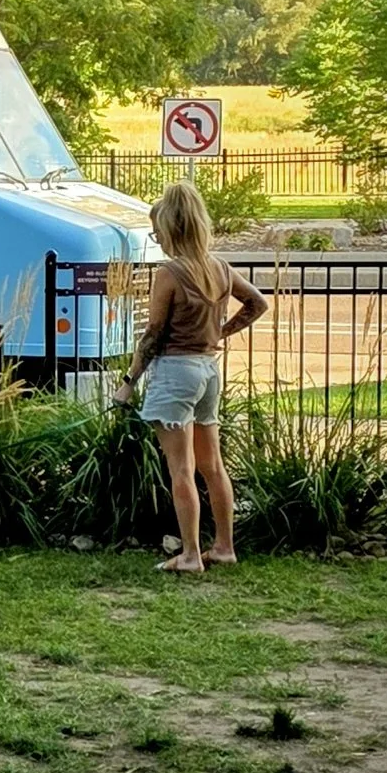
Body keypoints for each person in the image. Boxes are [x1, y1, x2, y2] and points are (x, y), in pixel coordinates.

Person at [127, 181, 271, 575]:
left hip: (175, 374)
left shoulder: (170, 274)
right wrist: (219, 333)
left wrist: (129, 382)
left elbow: (153, 336)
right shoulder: (220, 268)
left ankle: (190, 554)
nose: (157, 240)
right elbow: (258, 303)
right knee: (213, 464)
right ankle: (224, 547)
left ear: (172, 229)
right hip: (208, 371)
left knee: (181, 469)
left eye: (158, 232)